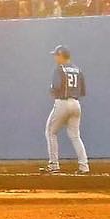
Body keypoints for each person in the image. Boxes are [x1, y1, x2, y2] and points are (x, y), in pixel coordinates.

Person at [42, 44, 89, 175]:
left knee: (50, 132)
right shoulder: (78, 70)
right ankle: (84, 166)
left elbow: (55, 87)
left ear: (61, 56)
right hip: (76, 103)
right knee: (75, 136)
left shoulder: (59, 69)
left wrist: (54, 93)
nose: (55, 58)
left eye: (56, 55)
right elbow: (83, 91)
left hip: (62, 102)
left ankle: (54, 165)